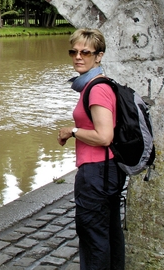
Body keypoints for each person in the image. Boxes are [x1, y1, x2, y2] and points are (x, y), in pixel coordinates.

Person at [57, 28, 125, 270]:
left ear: (99, 56)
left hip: (96, 173)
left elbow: (104, 136)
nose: (78, 56)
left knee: (93, 238)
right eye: (73, 51)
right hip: (107, 170)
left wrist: (71, 131)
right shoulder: (94, 85)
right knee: (109, 236)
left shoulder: (97, 89)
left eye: (85, 52)